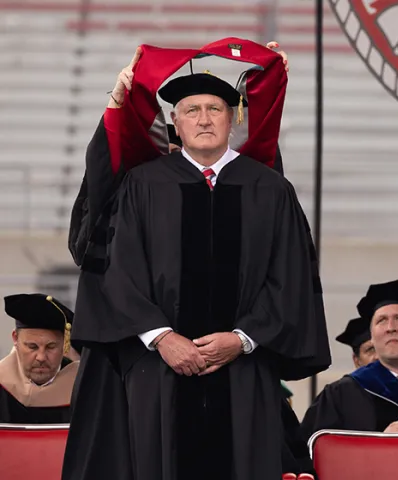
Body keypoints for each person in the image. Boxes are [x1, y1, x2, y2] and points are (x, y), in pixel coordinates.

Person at [66, 63, 330, 480]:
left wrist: (242, 339)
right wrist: (163, 338)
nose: (204, 119)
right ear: (175, 121)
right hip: (160, 370)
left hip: (243, 370)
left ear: (232, 118)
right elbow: (118, 271)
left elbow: (290, 278)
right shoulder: (141, 186)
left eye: (215, 109)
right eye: (192, 110)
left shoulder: (271, 190)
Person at [301, 279, 398, 442]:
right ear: (372, 336)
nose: (390, 327)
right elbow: (313, 456)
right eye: (381, 320)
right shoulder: (341, 395)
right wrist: (378, 443)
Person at [0, 293, 78, 423]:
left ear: (65, 342)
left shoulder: (82, 385)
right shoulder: (2, 382)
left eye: (51, 347)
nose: (41, 357)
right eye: (32, 346)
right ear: (15, 338)